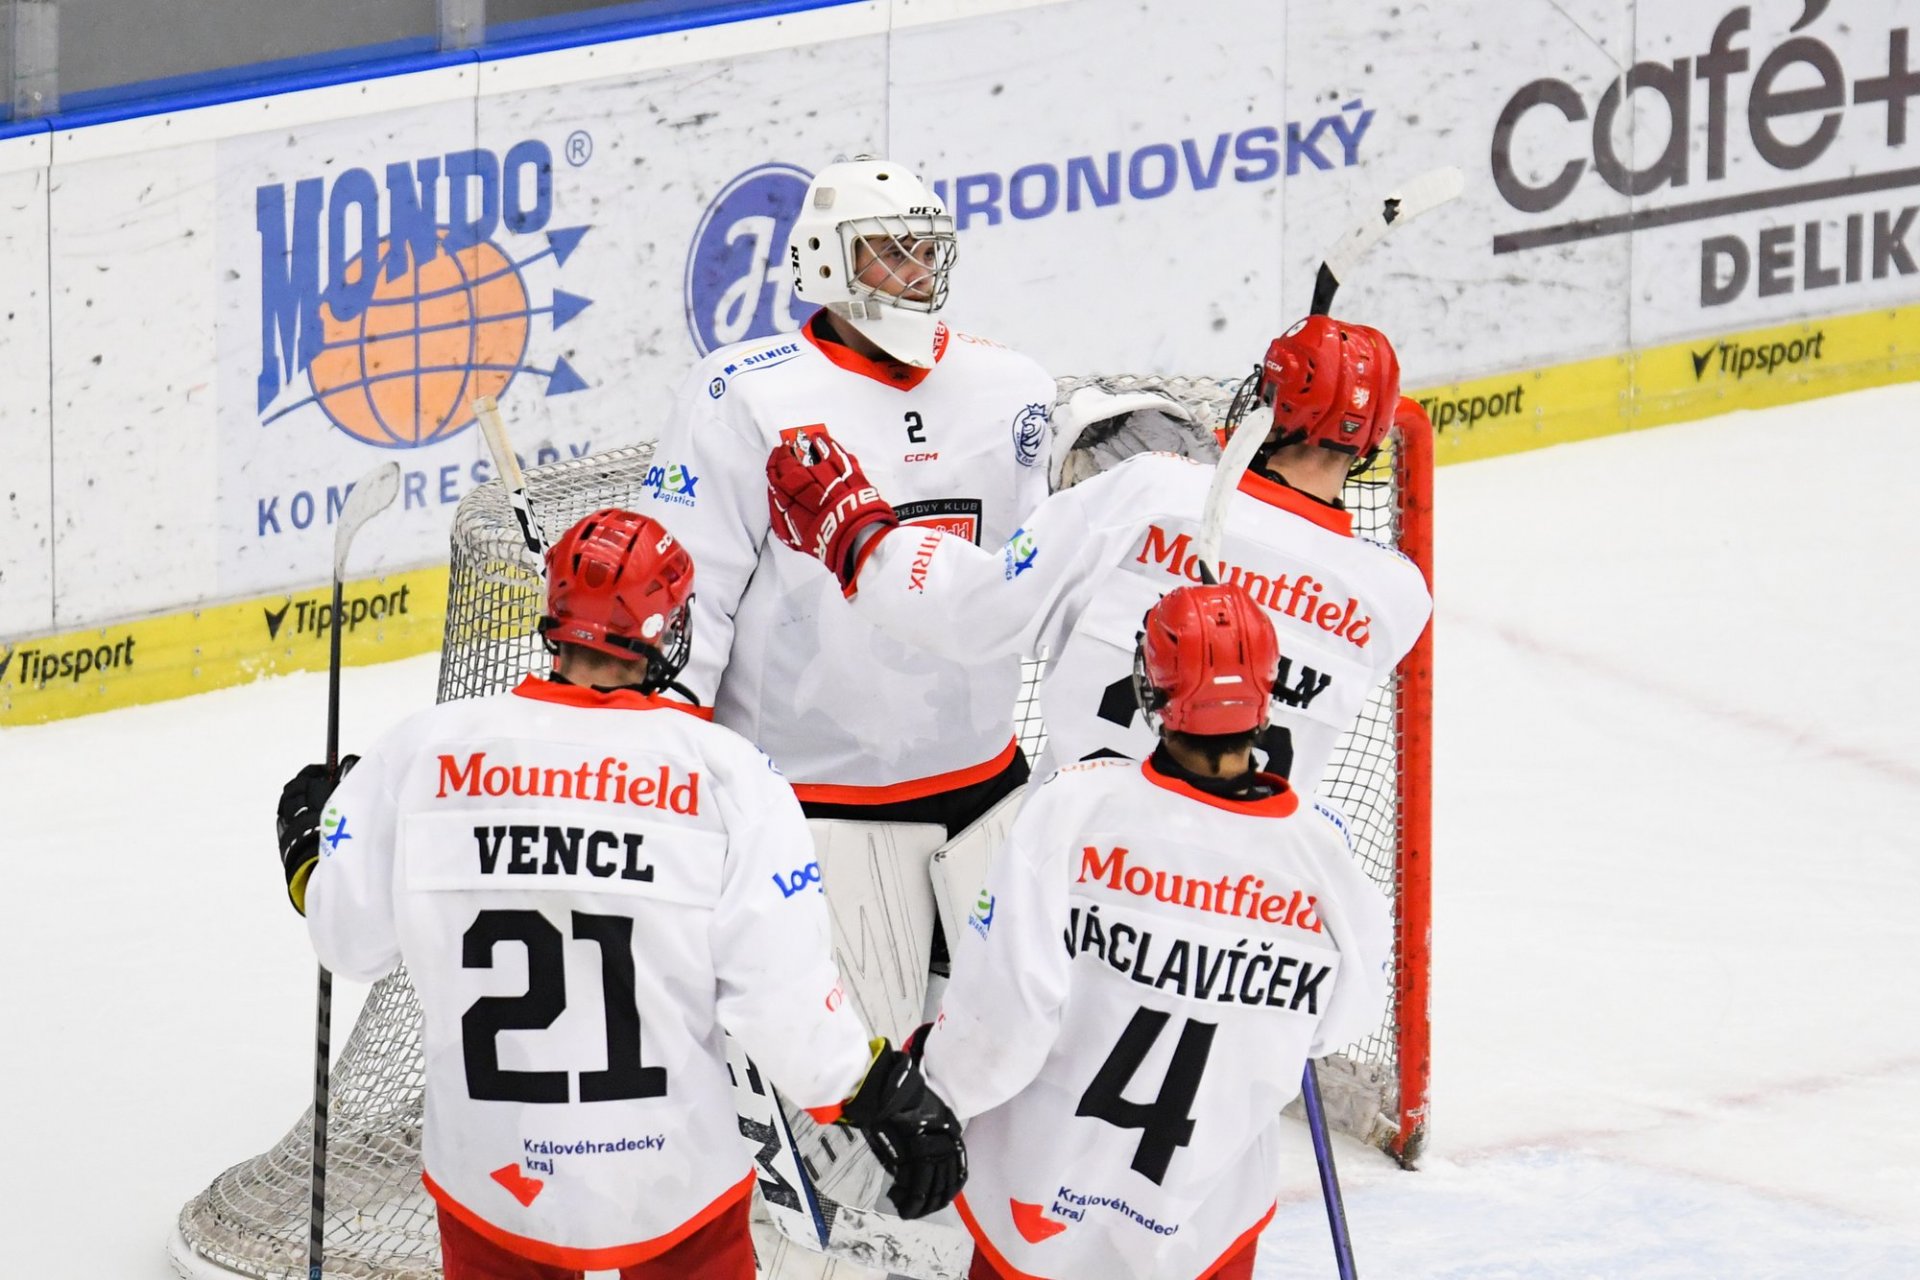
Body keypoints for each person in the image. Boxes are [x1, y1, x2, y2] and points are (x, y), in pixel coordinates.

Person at [271, 509, 965, 1280]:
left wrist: (314, 854)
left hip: (493, 1176)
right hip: (672, 1179)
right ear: (667, 631)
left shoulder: (421, 751)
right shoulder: (728, 775)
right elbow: (778, 1000)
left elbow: (350, 941)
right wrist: (876, 1091)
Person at [645, 155, 1054, 1222]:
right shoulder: (747, 393)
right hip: (816, 809)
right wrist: (669, 768)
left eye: (926, 251)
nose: (914, 273)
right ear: (824, 261)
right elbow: (691, 596)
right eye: (887, 251)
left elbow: (1045, 574)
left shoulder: (1014, 388)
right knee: (845, 1130)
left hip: (987, 794)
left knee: (1015, 1089)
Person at [914, 582, 1392, 1279]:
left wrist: (935, 1091)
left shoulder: (1074, 810)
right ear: (1266, 698)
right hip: (1204, 1210)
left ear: (1152, 690)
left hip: (1039, 1185)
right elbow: (1342, 1025)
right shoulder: (1326, 858)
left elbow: (1006, 1019)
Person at [765, 313, 1434, 792]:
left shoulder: (1154, 492)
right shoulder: (1396, 598)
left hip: (1075, 865)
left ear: (1270, 402)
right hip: (1245, 895)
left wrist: (861, 538)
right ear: (1373, 438)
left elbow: (972, 613)